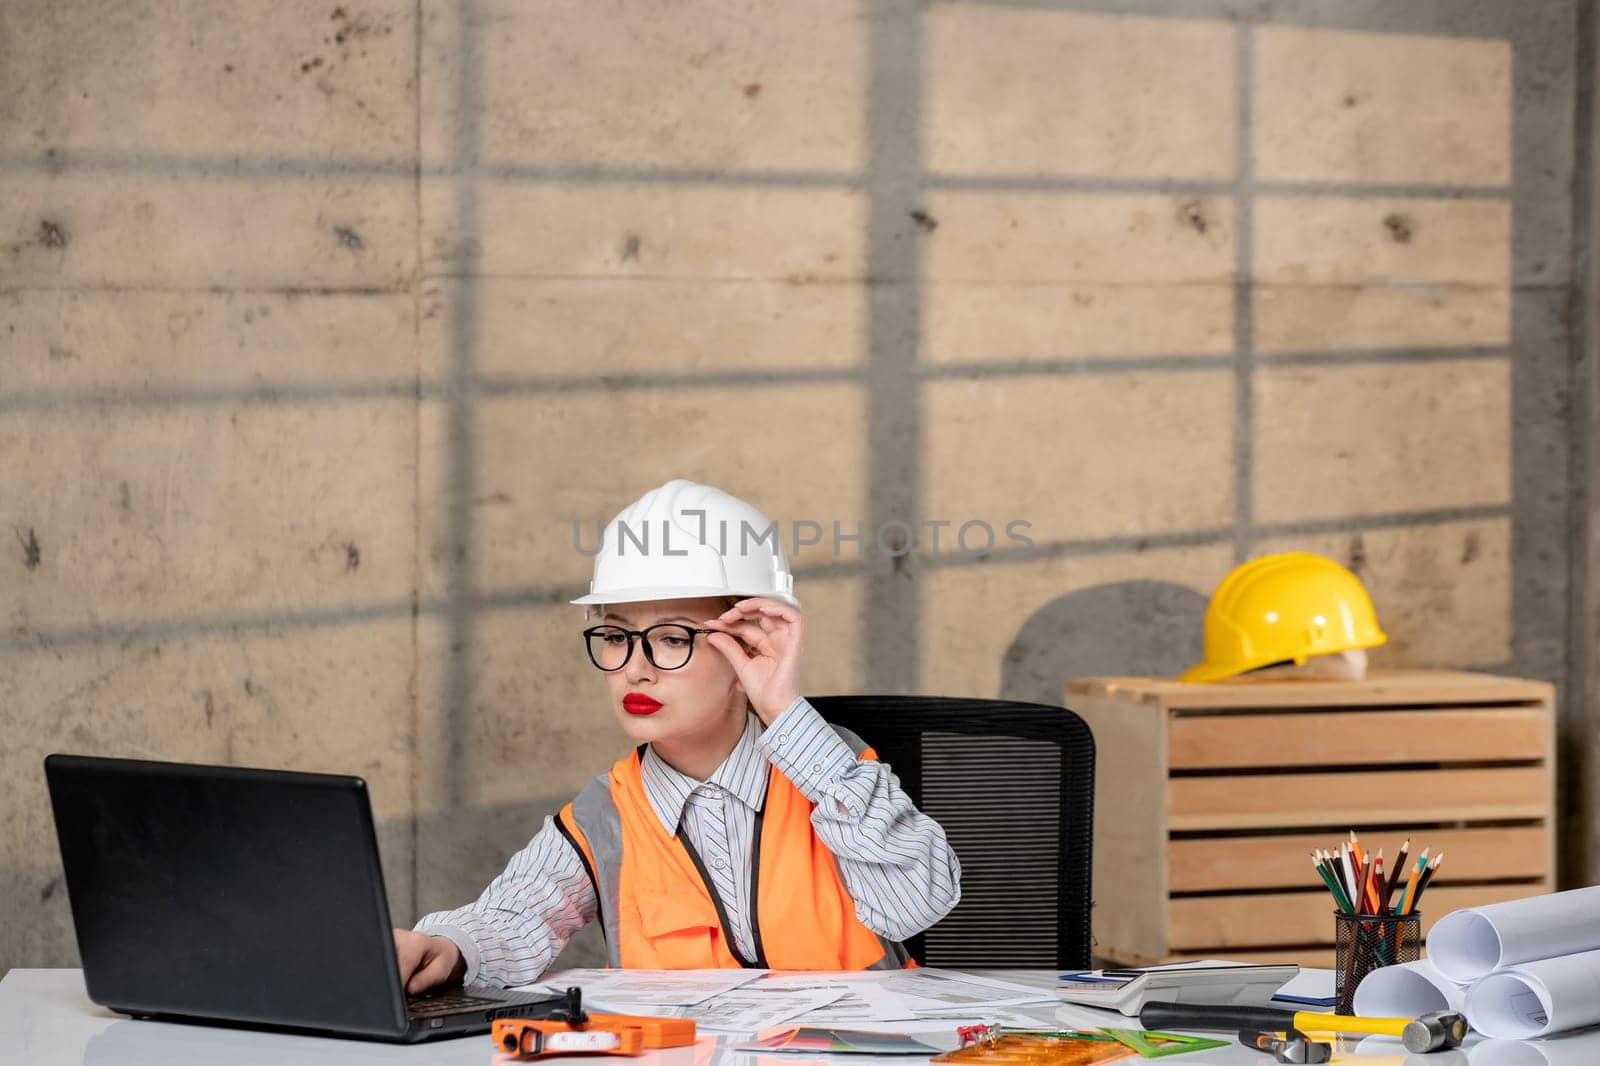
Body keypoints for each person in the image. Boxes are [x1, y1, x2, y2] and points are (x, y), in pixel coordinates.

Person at [393, 479, 961, 991]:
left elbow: (914, 903)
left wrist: (785, 708)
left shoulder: (834, 770)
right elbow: (512, 918)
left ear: (750, 643)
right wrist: (447, 946)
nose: (635, 668)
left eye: (671, 638)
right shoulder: (605, 815)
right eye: (617, 636)